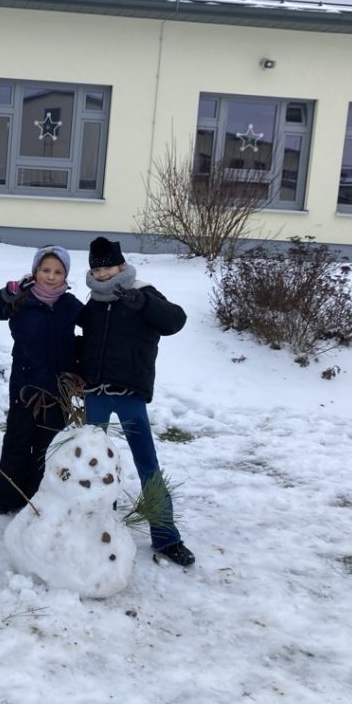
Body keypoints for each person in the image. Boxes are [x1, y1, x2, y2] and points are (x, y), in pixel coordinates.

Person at [78, 236, 195, 567]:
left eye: (108, 267)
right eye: (96, 269)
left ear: (121, 265)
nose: (102, 274)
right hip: (96, 394)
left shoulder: (143, 292)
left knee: (147, 464)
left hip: (129, 395)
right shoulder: (93, 301)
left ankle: (166, 536)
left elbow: (175, 321)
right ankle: (102, 526)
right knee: (95, 464)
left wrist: (142, 303)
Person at [0, 246, 83, 514]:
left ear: (65, 275)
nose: (51, 276)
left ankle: (38, 499)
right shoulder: (21, 300)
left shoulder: (70, 305)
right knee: (18, 440)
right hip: (25, 385)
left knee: (49, 444)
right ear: (35, 272)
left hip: (58, 389)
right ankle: (7, 498)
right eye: (45, 270)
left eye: (58, 272)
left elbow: (96, 330)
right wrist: (7, 293)